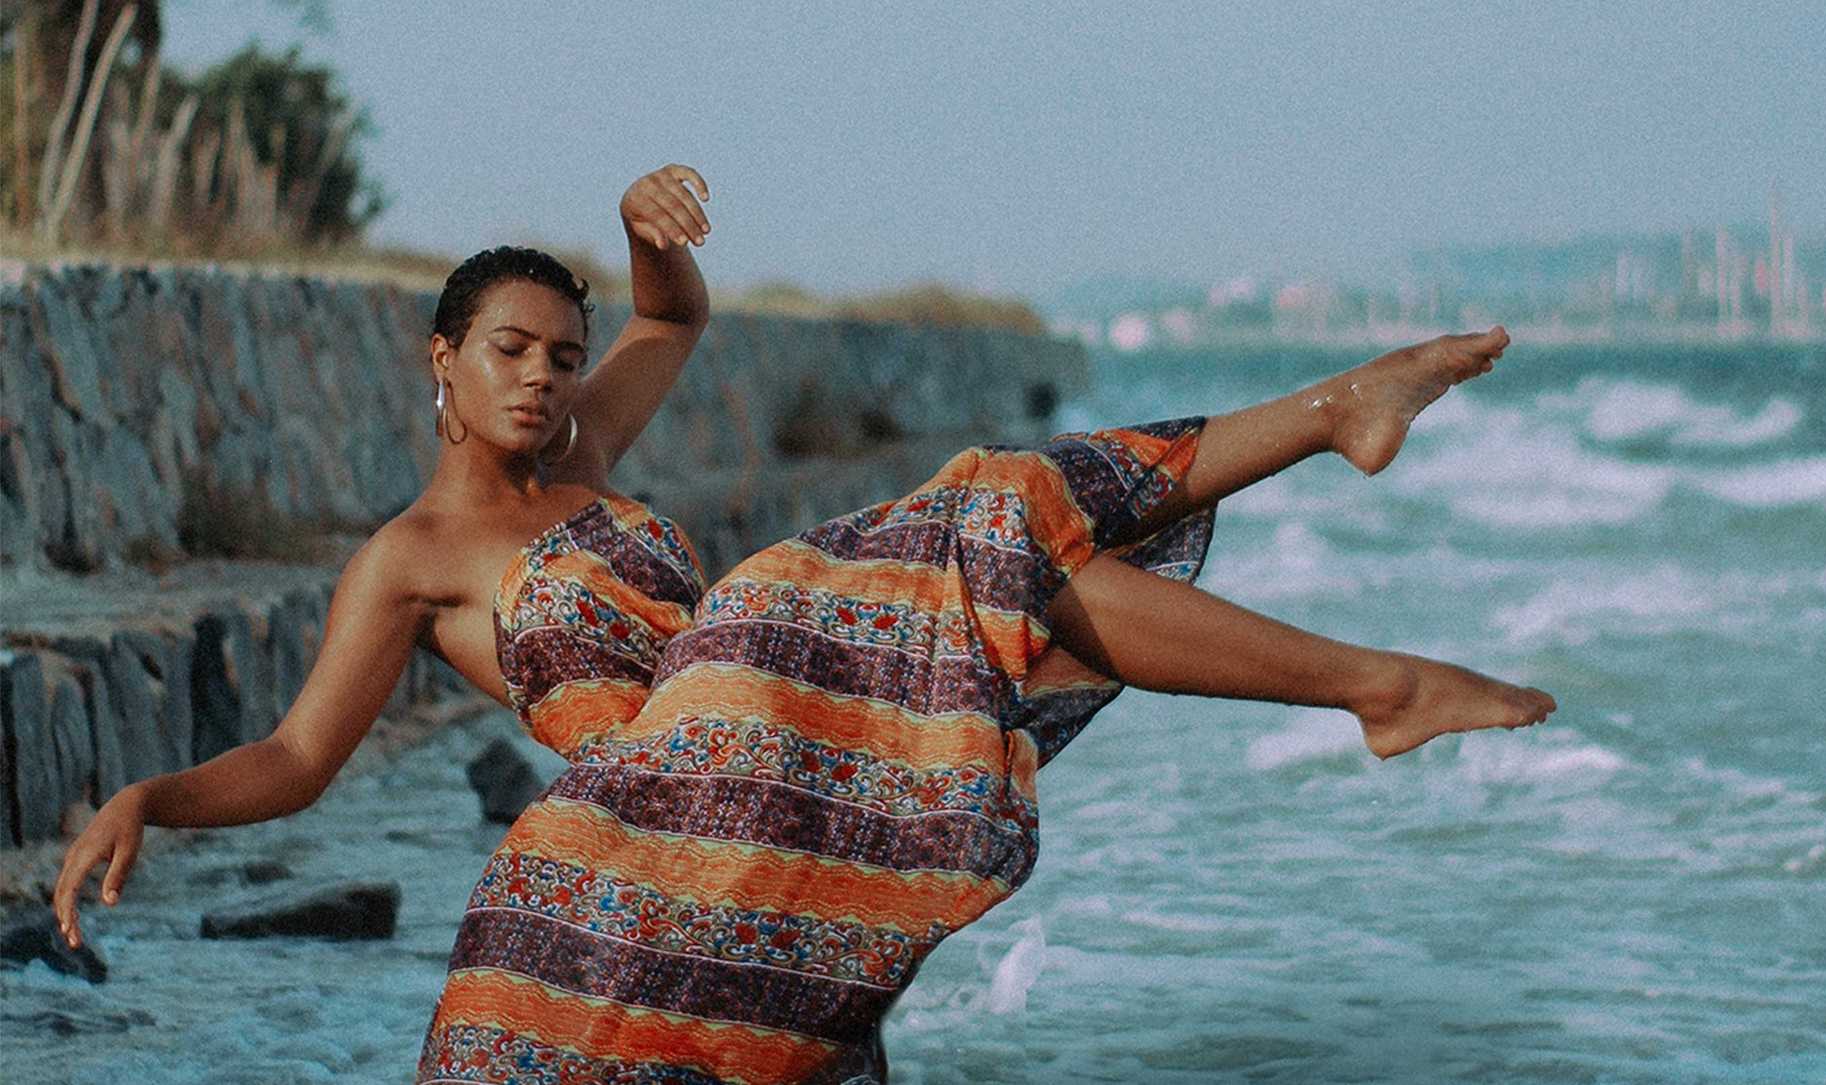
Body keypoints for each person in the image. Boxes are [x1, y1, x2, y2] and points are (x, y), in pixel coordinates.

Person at [51, 163, 1556, 1084]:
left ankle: (1372, 620)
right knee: (969, 521)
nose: (545, 380)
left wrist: (646, 233)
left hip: (782, 750)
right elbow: (303, 756)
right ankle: (1354, 539)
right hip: (666, 794)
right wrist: (153, 798)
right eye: (510, 350)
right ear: (441, 361)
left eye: (563, 356)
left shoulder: (583, 464)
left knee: (1009, 557)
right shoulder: (411, 556)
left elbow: (676, 318)